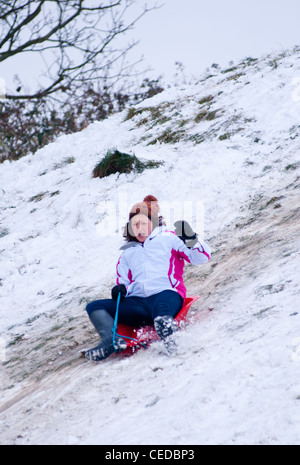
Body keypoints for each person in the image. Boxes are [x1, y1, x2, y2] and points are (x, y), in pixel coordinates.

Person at [85, 195, 211, 361]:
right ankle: (111, 339)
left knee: (161, 313)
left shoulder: (169, 238)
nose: (139, 228)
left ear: (153, 222)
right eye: (135, 224)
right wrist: (120, 289)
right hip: (137, 304)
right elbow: (123, 281)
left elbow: (201, 258)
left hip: (166, 294)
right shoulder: (127, 253)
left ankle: (169, 336)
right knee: (94, 306)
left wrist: (191, 240)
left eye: (143, 223)